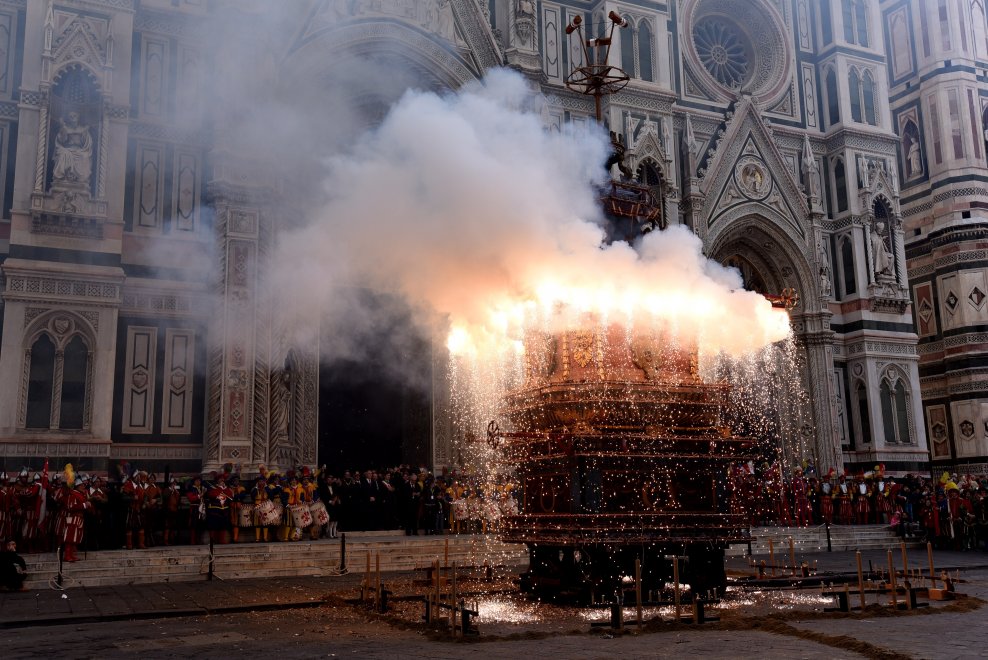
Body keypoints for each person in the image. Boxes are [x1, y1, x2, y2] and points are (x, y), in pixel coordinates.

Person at [52, 110, 93, 187]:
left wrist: (84, 133)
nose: (72, 118)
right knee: (62, 153)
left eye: (74, 116)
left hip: (80, 150)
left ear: (78, 117)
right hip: (67, 149)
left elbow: (87, 143)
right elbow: (61, 140)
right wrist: (63, 128)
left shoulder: (83, 129)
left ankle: (81, 179)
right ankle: (61, 177)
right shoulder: (65, 128)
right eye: (70, 117)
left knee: (85, 156)